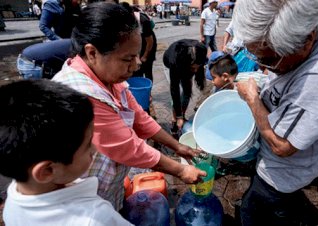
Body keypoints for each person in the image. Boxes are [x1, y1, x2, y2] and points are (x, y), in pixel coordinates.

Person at [52, 2, 206, 211]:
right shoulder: (80, 95)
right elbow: (130, 147)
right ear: (92, 53)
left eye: (137, 55)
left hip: (106, 187)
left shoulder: (109, 78)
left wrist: (177, 146)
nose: (137, 65)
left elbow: (140, 118)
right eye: (128, 58)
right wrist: (180, 170)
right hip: (82, 200)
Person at [233, 0, 318, 225]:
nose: (264, 65)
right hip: (281, 164)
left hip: (282, 174)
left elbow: (282, 147)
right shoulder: (306, 33)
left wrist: (253, 100)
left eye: (269, 59)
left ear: (308, 40)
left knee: (253, 212)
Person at [0, 79, 133, 226]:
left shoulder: (15, 194)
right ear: (47, 171)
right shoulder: (95, 218)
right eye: (88, 144)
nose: (95, 149)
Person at [163, 39, 207, 135]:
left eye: (197, 67)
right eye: (193, 68)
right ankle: (175, 119)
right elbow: (174, 90)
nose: (195, 71)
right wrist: (178, 116)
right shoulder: (176, 60)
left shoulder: (201, 51)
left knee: (187, 90)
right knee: (176, 94)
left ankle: (182, 114)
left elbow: (198, 68)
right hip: (171, 63)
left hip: (186, 64)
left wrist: (194, 69)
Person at [129, 4, 157, 82]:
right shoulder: (127, 20)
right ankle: (139, 89)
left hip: (148, 44)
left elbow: (150, 41)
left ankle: (148, 92)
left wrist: (145, 56)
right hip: (138, 43)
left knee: (147, 69)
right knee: (137, 70)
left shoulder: (143, 20)